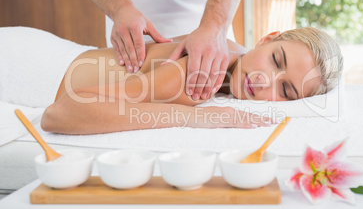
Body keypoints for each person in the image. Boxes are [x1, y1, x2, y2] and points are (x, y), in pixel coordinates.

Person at [35, 27, 342, 135]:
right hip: (31, 68)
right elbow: (58, 113)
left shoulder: (230, 60)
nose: (264, 80)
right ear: (267, 38)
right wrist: (196, 117)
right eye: (276, 60)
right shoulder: (201, 73)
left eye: (285, 89)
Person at [72, 0, 247, 103]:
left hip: (210, 44)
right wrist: (119, 8)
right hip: (129, 43)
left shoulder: (245, 65)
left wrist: (215, 24)